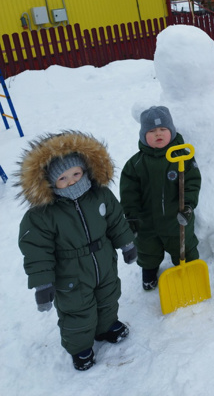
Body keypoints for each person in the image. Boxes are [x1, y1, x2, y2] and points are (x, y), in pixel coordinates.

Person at [17, 131, 137, 372]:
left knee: (108, 298)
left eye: (76, 173)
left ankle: (106, 327)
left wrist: (127, 243)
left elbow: (116, 221)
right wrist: (42, 284)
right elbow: (37, 251)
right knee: (77, 312)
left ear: (86, 169)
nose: (72, 181)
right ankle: (80, 347)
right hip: (70, 275)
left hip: (104, 263)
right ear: (50, 183)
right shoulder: (43, 215)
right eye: (63, 178)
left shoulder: (100, 195)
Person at [120, 106, 201, 291]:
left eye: (163, 129)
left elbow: (193, 182)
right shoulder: (136, 164)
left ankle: (187, 270)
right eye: (152, 131)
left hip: (178, 218)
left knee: (184, 246)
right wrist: (131, 215)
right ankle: (149, 271)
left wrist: (188, 206)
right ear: (143, 135)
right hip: (147, 221)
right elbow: (129, 192)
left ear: (171, 131)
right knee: (147, 249)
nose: (158, 134)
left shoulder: (183, 157)